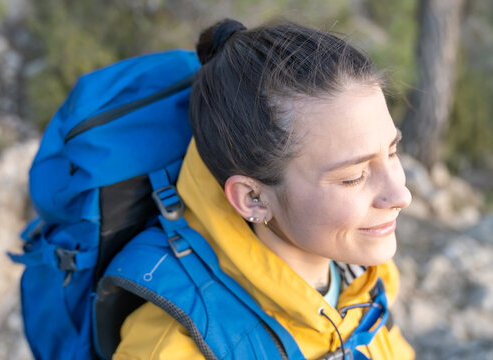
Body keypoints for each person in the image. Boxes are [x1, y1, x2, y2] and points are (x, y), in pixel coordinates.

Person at [113, 18, 415, 360]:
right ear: (253, 198)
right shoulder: (176, 347)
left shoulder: (363, 275)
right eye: (353, 176)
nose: (401, 195)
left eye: (391, 152)